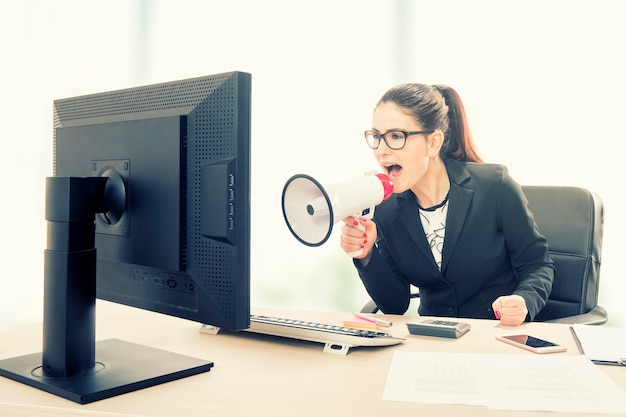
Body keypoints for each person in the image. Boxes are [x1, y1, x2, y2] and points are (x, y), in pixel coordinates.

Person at [340, 83, 554, 326]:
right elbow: (394, 304)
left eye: (396, 136)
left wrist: (524, 300)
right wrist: (367, 256)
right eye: (376, 137)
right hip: (434, 341)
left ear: (433, 143)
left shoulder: (495, 186)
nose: (381, 150)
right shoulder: (386, 210)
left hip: (495, 336)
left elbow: (538, 264)